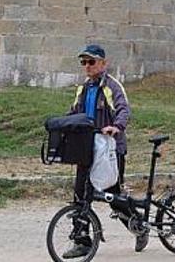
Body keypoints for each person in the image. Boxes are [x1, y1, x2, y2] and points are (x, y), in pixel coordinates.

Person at [63, 44, 135, 258]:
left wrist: (117, 127)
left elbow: (124, 110)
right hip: (87, 150)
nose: (87, 66)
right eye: (83, 62)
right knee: (80, 195)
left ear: (103, 63)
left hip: (110, 149)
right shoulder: (83, 88)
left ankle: (137, 225)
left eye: (91, 62)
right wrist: (62, 125)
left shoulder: (112, 86)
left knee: (114, 197)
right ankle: (82, 241)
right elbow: (74, 112)